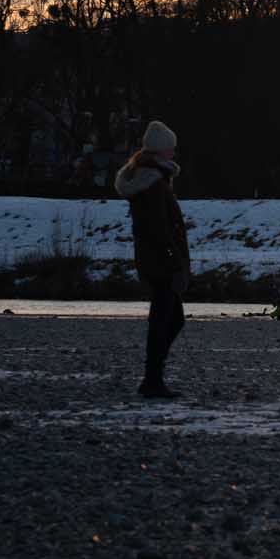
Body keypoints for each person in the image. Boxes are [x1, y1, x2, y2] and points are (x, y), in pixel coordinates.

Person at [116, 120, 191, 398]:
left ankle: (153, 375)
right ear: (161, 151)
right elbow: (159, 228)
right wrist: (174, 260)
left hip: (154, 259)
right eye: (171, 149)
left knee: (170, 319)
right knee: (166, 319)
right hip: (160, 262)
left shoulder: (150, 179)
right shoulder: (154, 183)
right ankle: (152, 378)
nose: (174, 153)